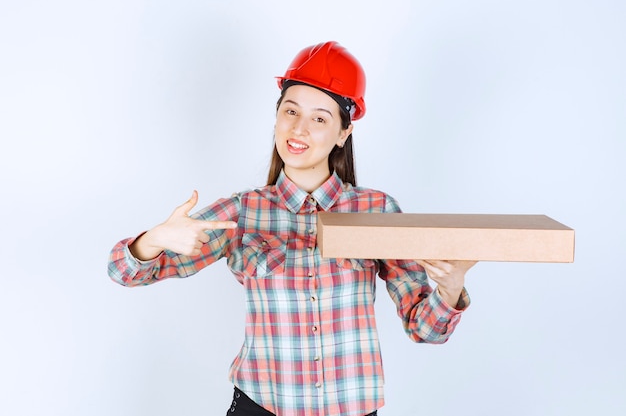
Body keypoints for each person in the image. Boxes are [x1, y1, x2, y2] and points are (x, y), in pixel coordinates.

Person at [108, 41, 476, 416]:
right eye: (290, 111)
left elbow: (426, 329)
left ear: (343, 134)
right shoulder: (242, 212)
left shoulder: (377, 210)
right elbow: (123, 272)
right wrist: (153, 240)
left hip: (351, 408)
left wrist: (450, 289)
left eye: (319, 118)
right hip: (262, 406)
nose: (298, 128)